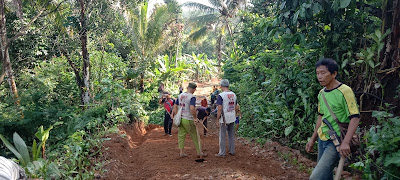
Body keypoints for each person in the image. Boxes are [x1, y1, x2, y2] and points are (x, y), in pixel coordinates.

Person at [305, 58, 360, 180]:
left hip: (336, 141)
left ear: (334, 74)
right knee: (326, 175)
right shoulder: (321, 93)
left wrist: (346, 142)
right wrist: (313, 139)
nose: (319, 76)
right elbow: (321, 117)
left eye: (323, 73)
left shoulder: (345, 91)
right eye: (317, 73)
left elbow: (355, 117)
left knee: (316, 177)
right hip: (322, 138)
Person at [172, 82, 206, 158]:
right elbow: (192, 108)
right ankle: (199, 152)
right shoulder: (192, 97)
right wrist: (195, 118)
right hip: (188, 119)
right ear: (194, 89)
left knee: (181, 136)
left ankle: (181, 152)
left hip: (181, 118)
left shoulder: (180, 95)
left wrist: (177, 114)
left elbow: (174, 106)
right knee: (195, 135)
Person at [216, 79, 238, 157]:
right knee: (231, 134)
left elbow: (219, 109)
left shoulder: (221, 96)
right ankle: (232, 150)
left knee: (222, 135)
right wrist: (235, 115)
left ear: (221, 86)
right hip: (232, 116)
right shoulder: (234, 94)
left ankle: (222, 152)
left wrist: (217, 119)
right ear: (228, 85)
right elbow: (236, 106)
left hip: (224, 117)